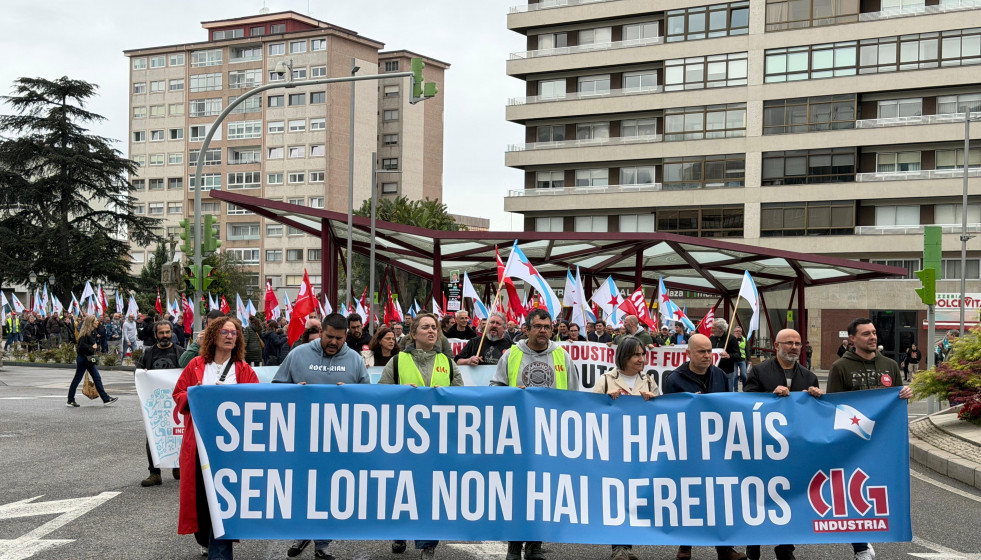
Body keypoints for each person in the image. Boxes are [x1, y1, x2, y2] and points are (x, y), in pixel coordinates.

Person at [273, 312, 369, 560]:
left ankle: (322, 544)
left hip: (338, 439)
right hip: (301, 437)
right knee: (301, 488)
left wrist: (352, 393)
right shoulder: (298, 354)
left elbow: (368, 398)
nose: (334, 342)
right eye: (329, 337)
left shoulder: (355, 360)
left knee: (328, 490)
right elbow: (276, 389)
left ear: (346, 336)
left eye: (339, 338)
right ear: (321, 332)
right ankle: (303, 533)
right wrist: (293, 392)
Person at [492, 308, 579, 560]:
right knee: (517, 492)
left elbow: (575, 395)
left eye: (547, 327)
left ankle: (534, 545)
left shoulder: (562, 356)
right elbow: (494, 387)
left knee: (542, 492)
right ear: (526, 329)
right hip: (517, 435)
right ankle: (513, 545)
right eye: (538, 326)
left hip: (550, 436)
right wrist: (512, 394)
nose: (543, 330)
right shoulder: (511, 355)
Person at [173, 316, 258, 560]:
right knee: (201, 499)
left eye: (234, 333)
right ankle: (207, 539)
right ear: (213, 336)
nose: (230, 336)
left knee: (224, 501)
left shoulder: (243, 369)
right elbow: (179, 393)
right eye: (225, 332)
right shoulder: (196, 365)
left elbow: (257, 401)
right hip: (200, 443)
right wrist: (197, 395)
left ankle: (219, 550)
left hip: (231, 448)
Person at [827, 318, 912, 560]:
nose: (872, 337)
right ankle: (860, 546)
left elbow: (897, 404)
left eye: (874, 332)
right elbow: (833, 407)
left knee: (879, 490)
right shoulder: (840, 367)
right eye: (865, 334)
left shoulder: (889, 365)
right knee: (854, 492)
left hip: (884, 442)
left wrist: (905, 395)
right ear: (852, 339)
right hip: (853, 444)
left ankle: (871, 532)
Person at [380, 312, 461, 558]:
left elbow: (461, 396)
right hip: (403, 438)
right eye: (425, 327)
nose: (431, 331)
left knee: (431, 489)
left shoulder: (448, 363)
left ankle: (428, 544)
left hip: (437, 438)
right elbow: (380, 394)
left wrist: (447, 395)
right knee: (402, 488)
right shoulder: (397, 362)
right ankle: (399, 533)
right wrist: (400, 393)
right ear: (413, 333)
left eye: (434, 327)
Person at [662, 334, 747, 560]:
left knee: (718, 494)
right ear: (688, 353)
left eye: (709, 351)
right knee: (689, 494)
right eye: (701, 351)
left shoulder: (720, 375)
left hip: (716, 446)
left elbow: (728, 406)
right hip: (688, 446)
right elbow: (667, 415)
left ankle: (724, 548)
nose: (707, 355)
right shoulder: (674, 379)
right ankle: (685, 545)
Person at [742, 329, 822, 560]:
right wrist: (770, 395)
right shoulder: (759, 371)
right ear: (776, 345)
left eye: (797, 343)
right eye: (789, 343)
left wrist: (817, 397)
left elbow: (814, 415)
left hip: (793, 447)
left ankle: (785, 547)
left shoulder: (809, 376)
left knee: (789, 497)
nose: (794, 347)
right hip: (764, 445)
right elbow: (746, 401)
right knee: (759, 496)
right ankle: (754, 544)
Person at [593, 335, 657, 560]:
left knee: (634, 498)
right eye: (636, 355)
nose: (641, 359)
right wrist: (605, 400)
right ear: (624, 356)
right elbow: (589, 410)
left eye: (643, 354)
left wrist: (654, 401)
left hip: (639, 448)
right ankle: (618, 547)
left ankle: (626, 547)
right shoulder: (606, 380)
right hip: (613, 448)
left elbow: (662, 414)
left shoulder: (648, 381)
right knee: (617, 497)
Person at [137, 320, 185, 487]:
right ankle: (154, 473)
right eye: (161, 333)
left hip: (175, 404)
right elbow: (138, 374)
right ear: (155, 335)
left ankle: (177, 466)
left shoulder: (181, 352)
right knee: (153, 437)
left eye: (167, 332)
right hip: (156, 404)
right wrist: (142, 373)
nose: (165, 335)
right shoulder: (148, 353)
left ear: (172, 333)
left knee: (177, 435)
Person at [66, 315, 118, 407]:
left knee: (97, 378)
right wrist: (92, 347)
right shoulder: (85, 334)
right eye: (95, 321)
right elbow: (80, 347)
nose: (97, 322)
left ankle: (105, 398)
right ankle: (70, 400)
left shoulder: (92, 332)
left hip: (89, 359)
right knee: (77, 379)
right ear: (91, 323)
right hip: (83, 359)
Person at [709, 319, 740, 392]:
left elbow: (738, 355)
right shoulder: (711, 338)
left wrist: (729, 355)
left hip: (727, 372)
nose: (711, 330)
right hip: (713, 371)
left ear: (720, 329)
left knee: (727, 391)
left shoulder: (731, 339)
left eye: (713, 328)